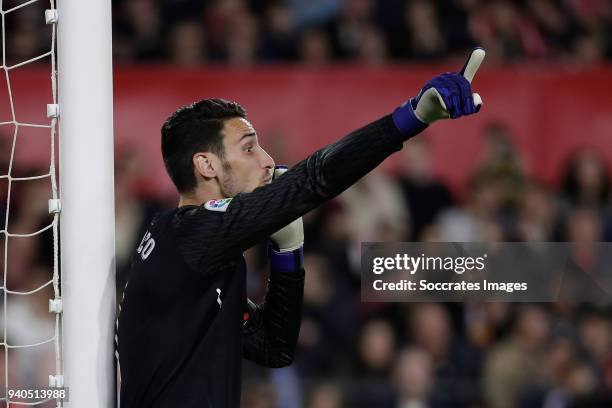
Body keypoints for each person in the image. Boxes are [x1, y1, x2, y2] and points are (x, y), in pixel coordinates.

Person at [116, 48, 486, 407]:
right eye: (248, 149)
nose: (267, 160)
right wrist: (409, 119)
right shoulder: (190, 232)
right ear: (207, 165)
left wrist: (287, 254)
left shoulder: (196, 253)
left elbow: (273, 346)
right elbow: (311, 181)